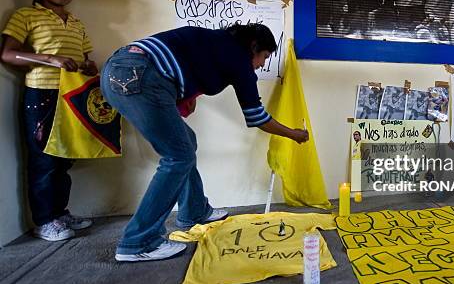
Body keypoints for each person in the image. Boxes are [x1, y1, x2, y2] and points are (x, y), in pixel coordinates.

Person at [100, 23, 309, 262]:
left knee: (186, 141)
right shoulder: (239, 59)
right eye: (264, 56)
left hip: (115, 70)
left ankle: (194, 211)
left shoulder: (215, 42)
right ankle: (138, 242)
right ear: (253, 46)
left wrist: (183, 93)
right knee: (179, 156)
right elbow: (257, 117)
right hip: (143, 76)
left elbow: (183, 68)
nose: (262, 64)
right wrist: (294, 134)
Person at [1, 0, 97, 241]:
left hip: (72, 95)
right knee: (43, 158)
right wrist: (49, 59)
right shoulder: (26, 15)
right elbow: (8, 55)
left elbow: (85, 58)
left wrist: (89, 67)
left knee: (64, 157)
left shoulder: (77, 23)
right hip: (42, 94)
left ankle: (60, 212)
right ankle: (44, 221)